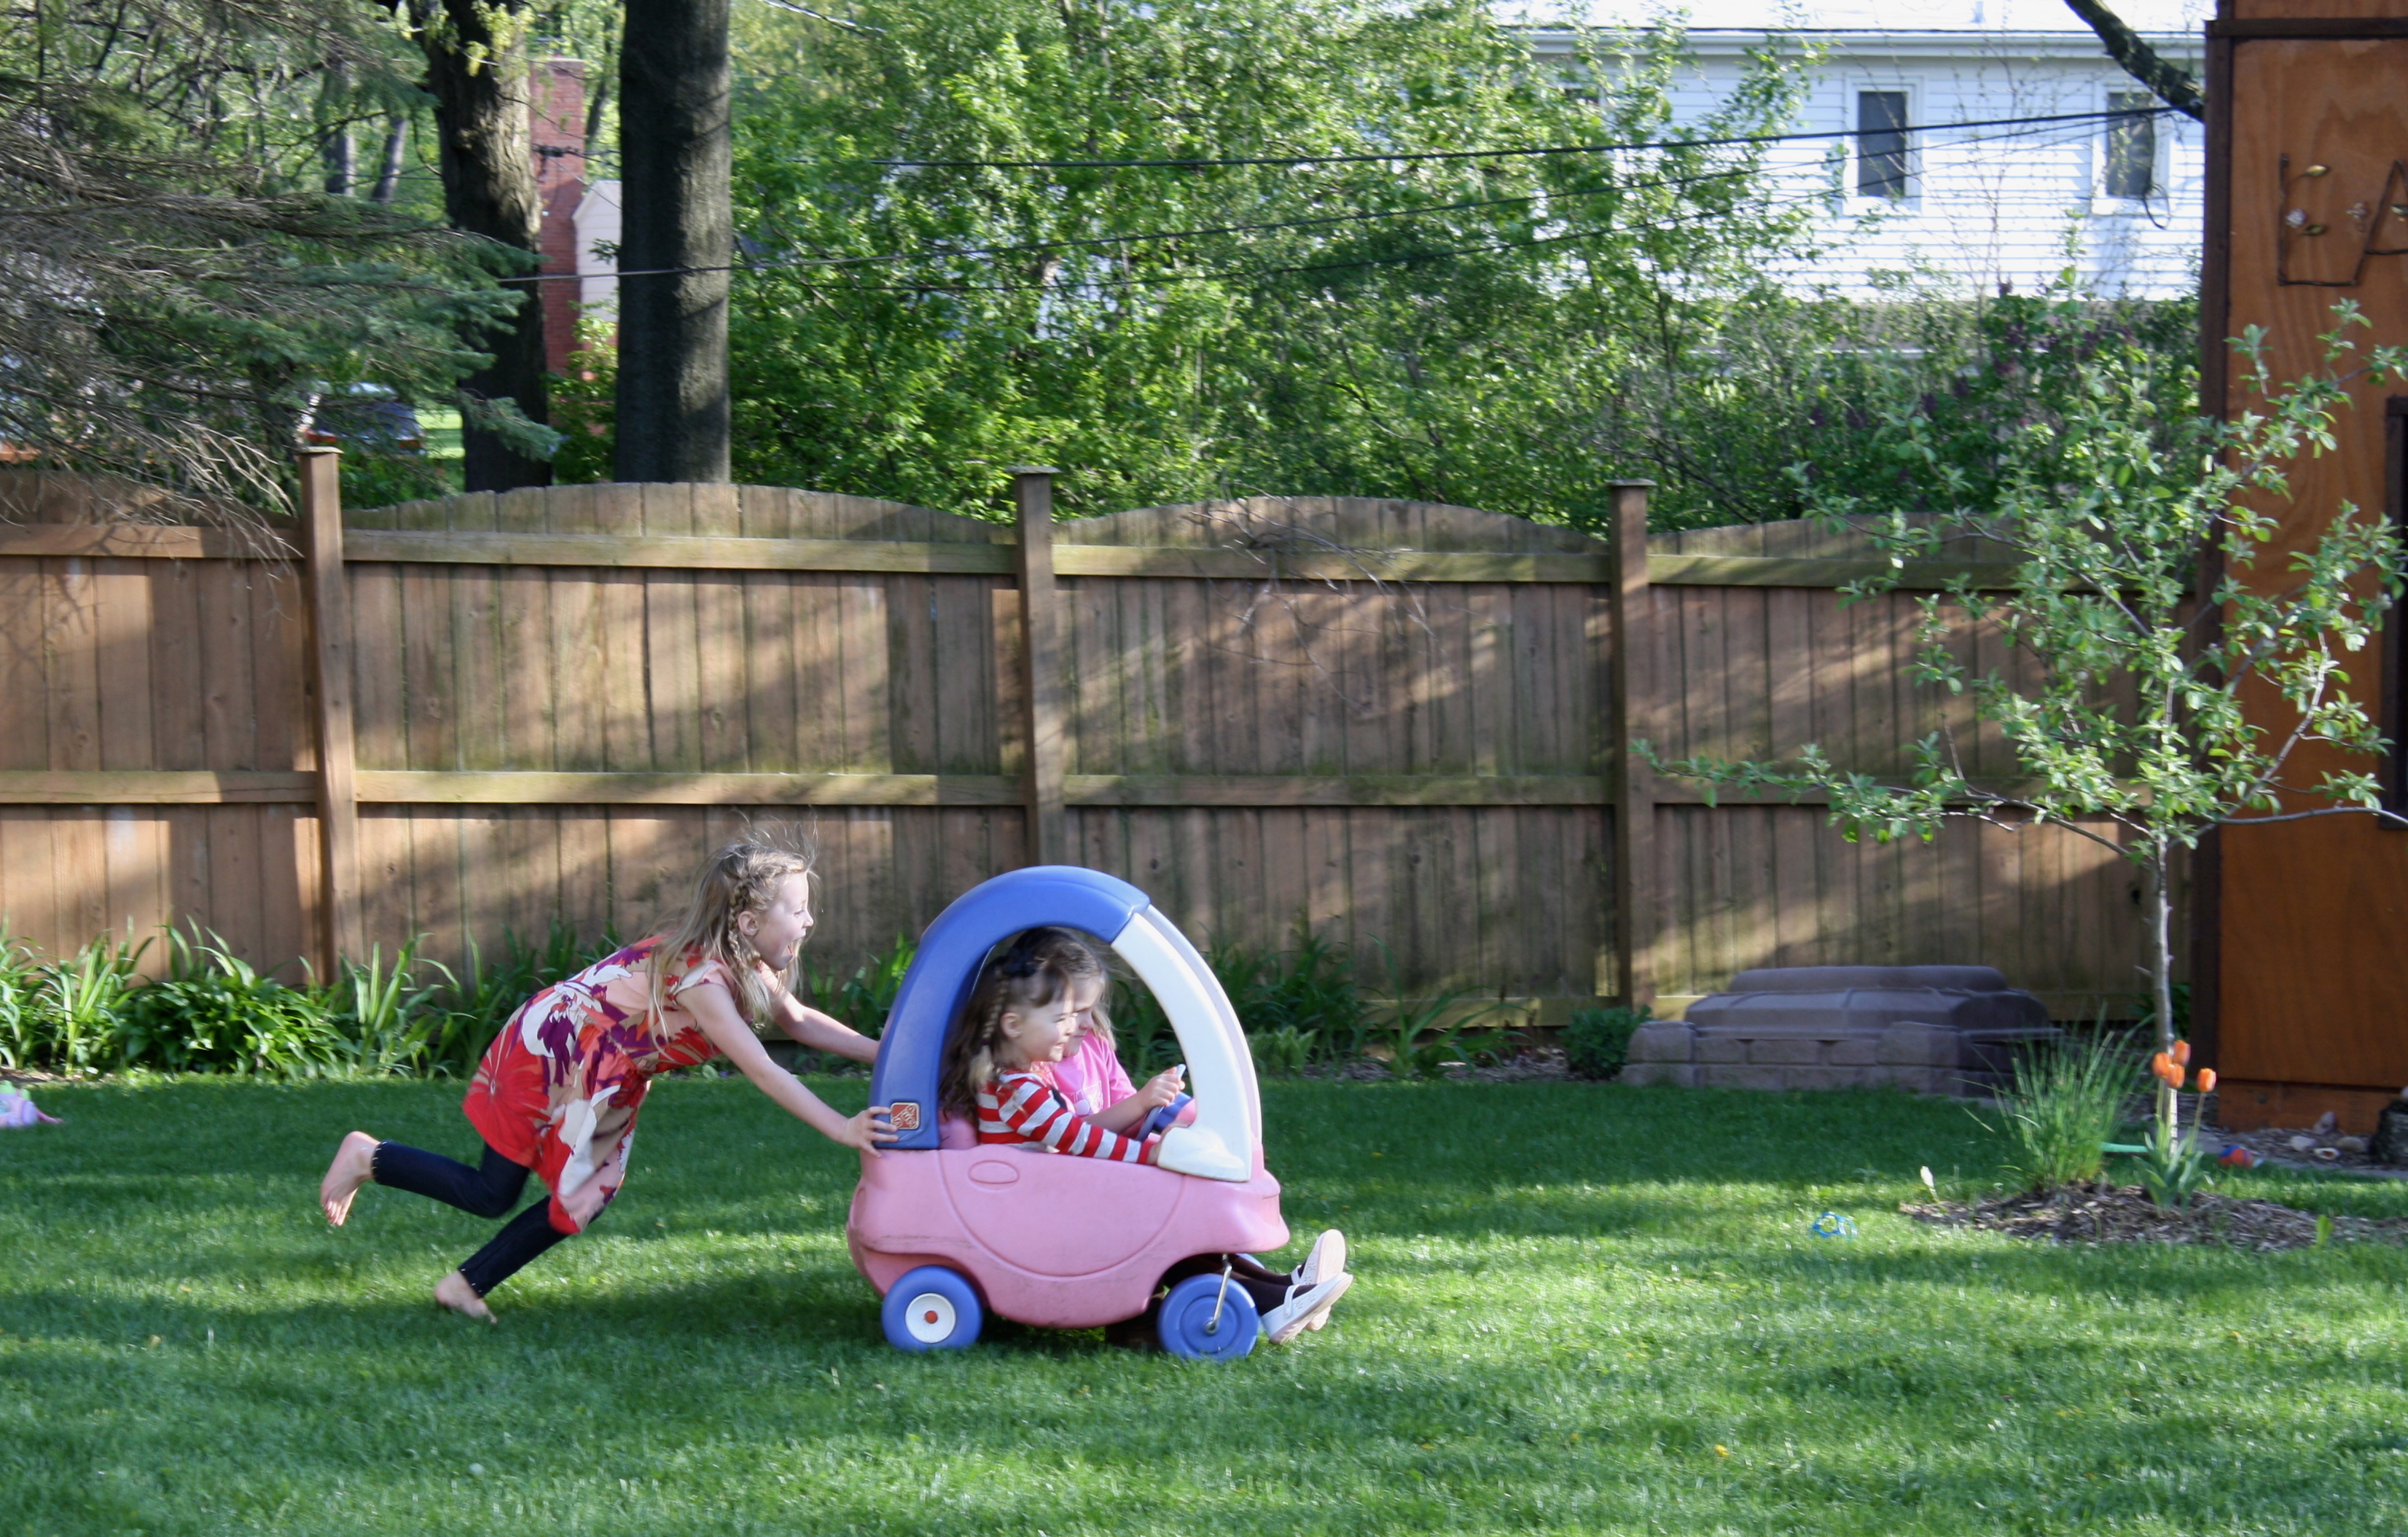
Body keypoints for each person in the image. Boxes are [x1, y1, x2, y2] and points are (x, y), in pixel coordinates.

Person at [316, 840, 895, 1321]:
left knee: (570, 1195)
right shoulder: (703, 980)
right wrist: (840, 1127)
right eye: (799, 909)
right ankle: (370, 1157)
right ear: (748, 923)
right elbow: (764, 1069)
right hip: (554, 1050)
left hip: (603, 1072)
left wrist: (887, 1053)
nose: (809, 920)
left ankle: (462, 1285)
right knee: (497, 1192)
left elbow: (797, 1020)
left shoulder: (745, 962)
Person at [938, 926, 1352, 1344]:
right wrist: (1146, 1156)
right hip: (1042, 1212)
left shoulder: (1023, 1078)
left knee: (1168, 1222)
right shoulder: (1018, 1088)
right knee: (1163, 1227)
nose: (1072, 1028)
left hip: (1052, 1199)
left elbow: (1072, 1137)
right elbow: (1074, 1137)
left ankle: (1284, 1291)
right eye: (1061, 1018)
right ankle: (1273, 1299)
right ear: (1013, 1026)